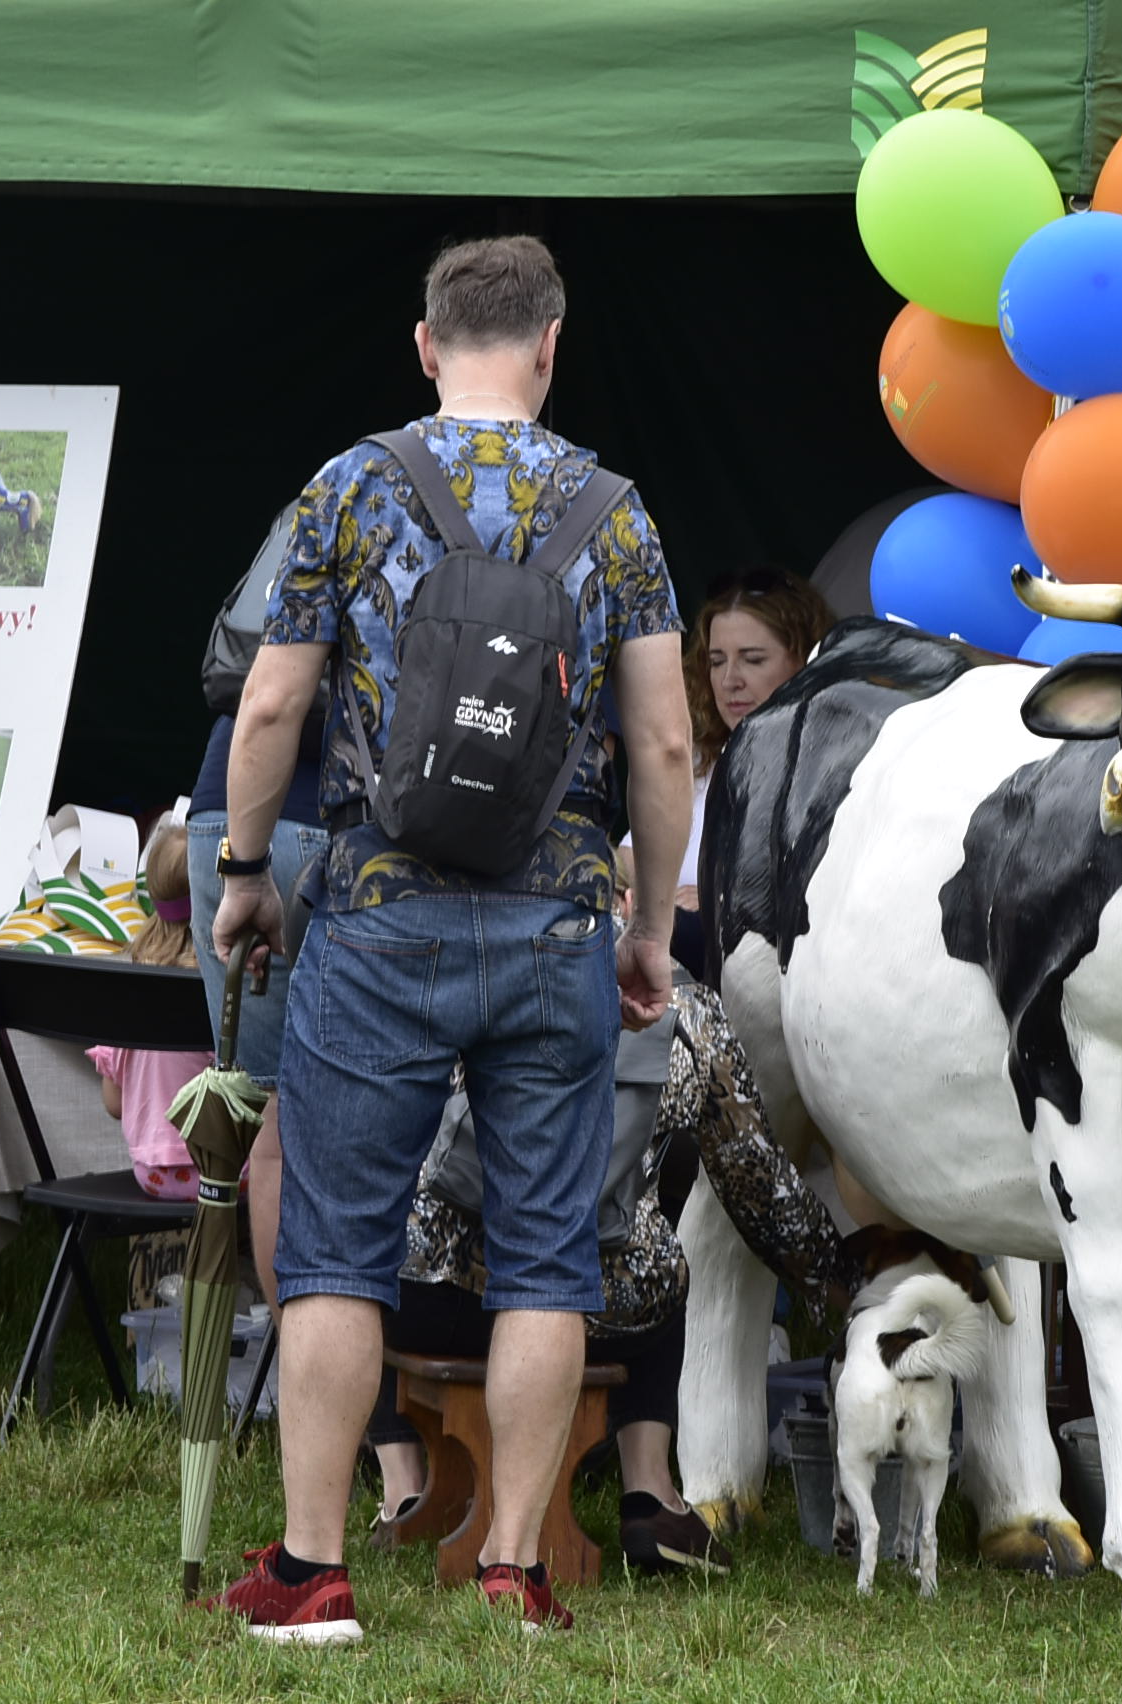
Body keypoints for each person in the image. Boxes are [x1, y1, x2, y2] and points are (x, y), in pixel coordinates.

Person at [213, 235, 692, 1642]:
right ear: (551, 344)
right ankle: (517, 1569)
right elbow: (662, 741)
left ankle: (311, 1574)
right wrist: (647, 927)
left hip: (375, 919)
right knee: (551, 1260)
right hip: (556, 929)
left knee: (336, 1254)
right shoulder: (616, 512)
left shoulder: (353, 487)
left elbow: (266, 712)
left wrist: (247, 870)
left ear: (425, 347)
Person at [364, 1017, 730, 1578]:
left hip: (421, 1296)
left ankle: (403, 1488)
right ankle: (649, 1493)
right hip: (583, 1299)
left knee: (372, 1240)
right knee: (655, 1265)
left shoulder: (444, 961)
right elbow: (758, 1181)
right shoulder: (687, 1013)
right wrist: (841, 1276)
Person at [182, 707, 325, 1303]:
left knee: (272, 1132)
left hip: (222, 809)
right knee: (340, 1129)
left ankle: (293, 1369)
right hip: (325, 809)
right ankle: (325, 1375)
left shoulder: (276, 606)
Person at [651, 566, 834, 978]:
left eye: (753, 659)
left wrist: (720, 900)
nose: (730, 680)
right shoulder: (701, 760)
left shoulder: (832, 772)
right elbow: (629, 859)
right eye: (716, 661)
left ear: (805, 660)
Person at [90, 817, 212, 1205]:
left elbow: (113, 1103)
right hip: (224, 1176)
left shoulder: (130, 989)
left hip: (153, 1176)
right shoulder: (221, 986)